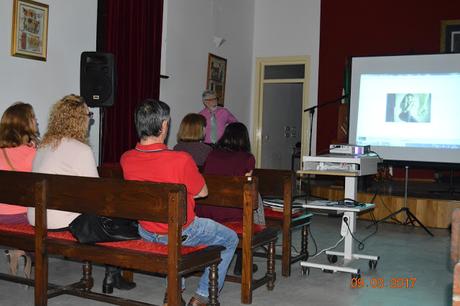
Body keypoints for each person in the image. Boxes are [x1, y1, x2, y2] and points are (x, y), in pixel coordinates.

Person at [120, 99, 238, 306]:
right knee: (230, 239)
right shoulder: (180, 159)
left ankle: (173, 292)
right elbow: (202, 192)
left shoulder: (127, 158)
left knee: (173, 227)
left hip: (146, 229)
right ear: (164, 125)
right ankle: (202, 296)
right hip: (181, 231)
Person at [26, 94, 135, 293]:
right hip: (62, 222)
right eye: (89, 114)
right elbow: (96, 196)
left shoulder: (43, 147)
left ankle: (113, 273)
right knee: (122, 217)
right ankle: (112, 273)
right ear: (79, 119)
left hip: (37, 218)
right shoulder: (81, 150)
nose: (90, 119)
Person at [197, 122, 264, 275]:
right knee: (254, 201)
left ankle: (205, 257)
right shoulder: (247, 158)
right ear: (244, 139)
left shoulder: (212, 154)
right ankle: (242, 262)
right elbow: (248, 188)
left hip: (206, 208)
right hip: (231, 212)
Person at [0, 102, 39, 224]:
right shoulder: (35, 153)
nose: (37, 121)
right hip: (23, 216)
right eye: (33, 118)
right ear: (25, 124)